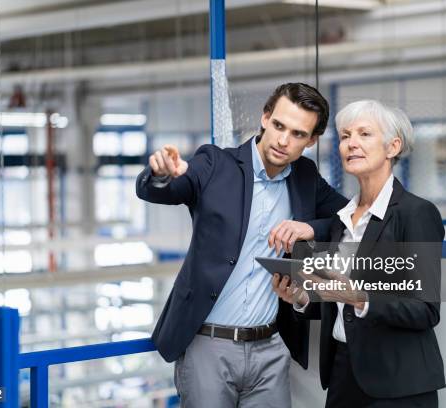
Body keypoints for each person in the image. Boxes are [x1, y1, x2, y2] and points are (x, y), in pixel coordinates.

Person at [136, 83, 348, 407]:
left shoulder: (305, 175)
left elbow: (348, 218)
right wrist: (162, 175)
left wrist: (309, 227)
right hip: (208, 345)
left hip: (270, 348)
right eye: (278, 125)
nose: (282, 140)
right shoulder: (215, 164)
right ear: (265, 118)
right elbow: (165, 188)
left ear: (312, 140)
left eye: (297, 134)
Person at [273, 99, 446, 407]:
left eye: (364, 134)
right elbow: (337, 302)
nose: (351, 144)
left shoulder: (416, 213)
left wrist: (360, 297)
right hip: (343, 375)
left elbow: (426, 310)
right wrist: (300, 298)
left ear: (392, 147)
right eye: (344, 136)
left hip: (399, 384)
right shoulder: (343, 219)